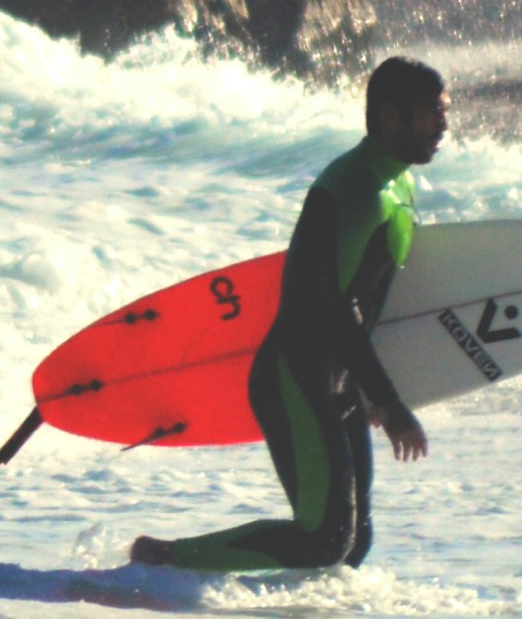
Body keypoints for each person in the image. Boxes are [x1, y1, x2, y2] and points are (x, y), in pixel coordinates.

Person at [130, 57, 445, 575]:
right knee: (326, 539)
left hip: (337, 380)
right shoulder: (355, 188)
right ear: (392, 116)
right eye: (432, 112)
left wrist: (364, 388)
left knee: (351, 545)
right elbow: (325, 303)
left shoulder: (399, 186)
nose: (444, 125)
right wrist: (387, 401)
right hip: (296, 375)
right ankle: (161, 560)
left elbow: (364, 300)